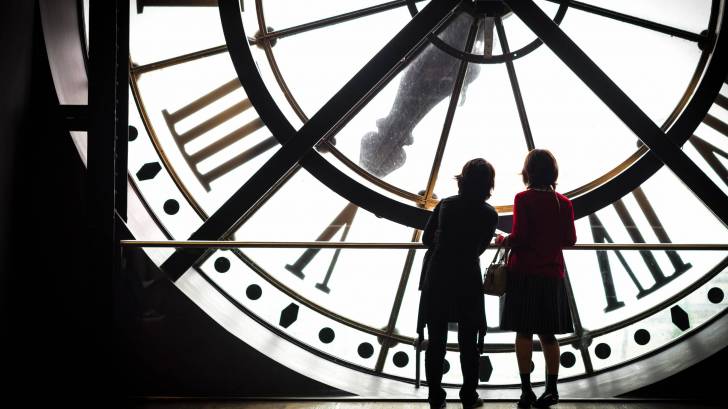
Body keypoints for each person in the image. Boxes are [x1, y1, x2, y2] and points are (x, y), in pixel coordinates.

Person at [499, 149, 577, 408]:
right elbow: (569, 240)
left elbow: (519, 237)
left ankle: (526, 391)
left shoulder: (523, 198)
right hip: (552, 273)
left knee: (524, 333)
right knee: (548, 336)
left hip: (524, 273)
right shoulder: (563, 203)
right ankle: (551, 389)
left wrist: (503, 240)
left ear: (527, 172)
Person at [419, 158, 499, 409]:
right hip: (468, 278)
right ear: (488, 185)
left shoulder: (445, 205)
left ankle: (435, 396)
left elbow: (426, 240)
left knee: (436, 339)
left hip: (439, 275)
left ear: (462, 180)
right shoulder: (489, 214)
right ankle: (468, 395)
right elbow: (480, 247)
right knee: (469, 341)